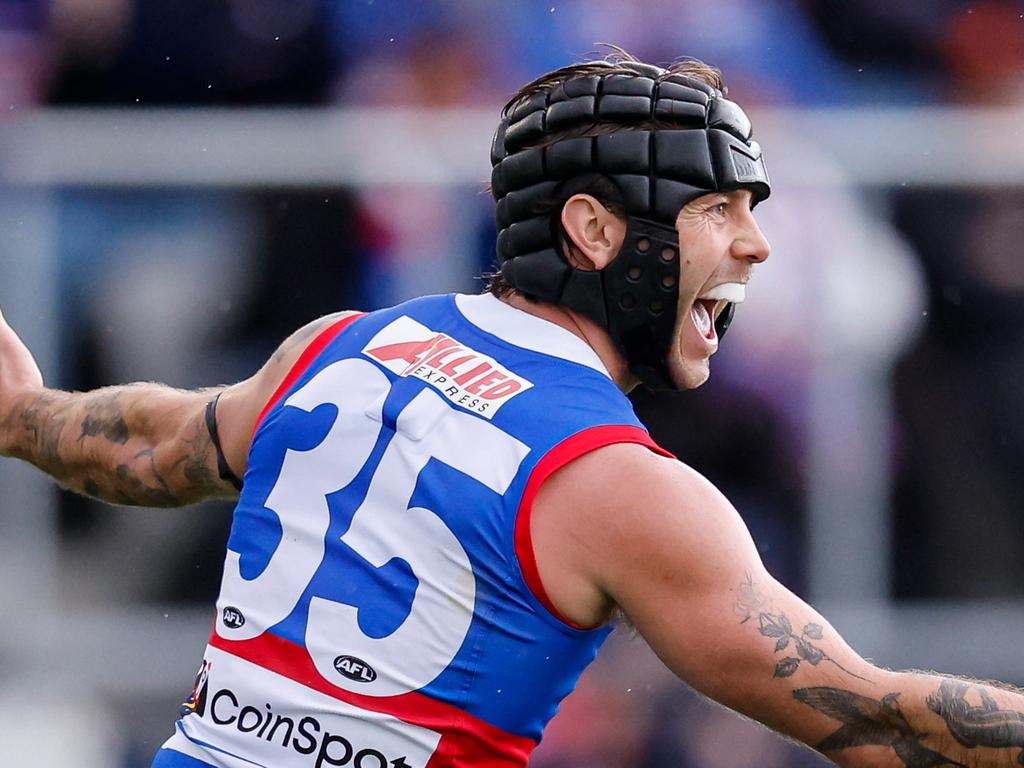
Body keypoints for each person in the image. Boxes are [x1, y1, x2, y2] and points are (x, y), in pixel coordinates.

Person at [1, 49, 1022, 768]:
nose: (755, 247)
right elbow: (879, 725)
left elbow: (153, 443)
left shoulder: (343, 344)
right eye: (720, 210)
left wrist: (20, 414)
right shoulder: (616, 483)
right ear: (592, 230)